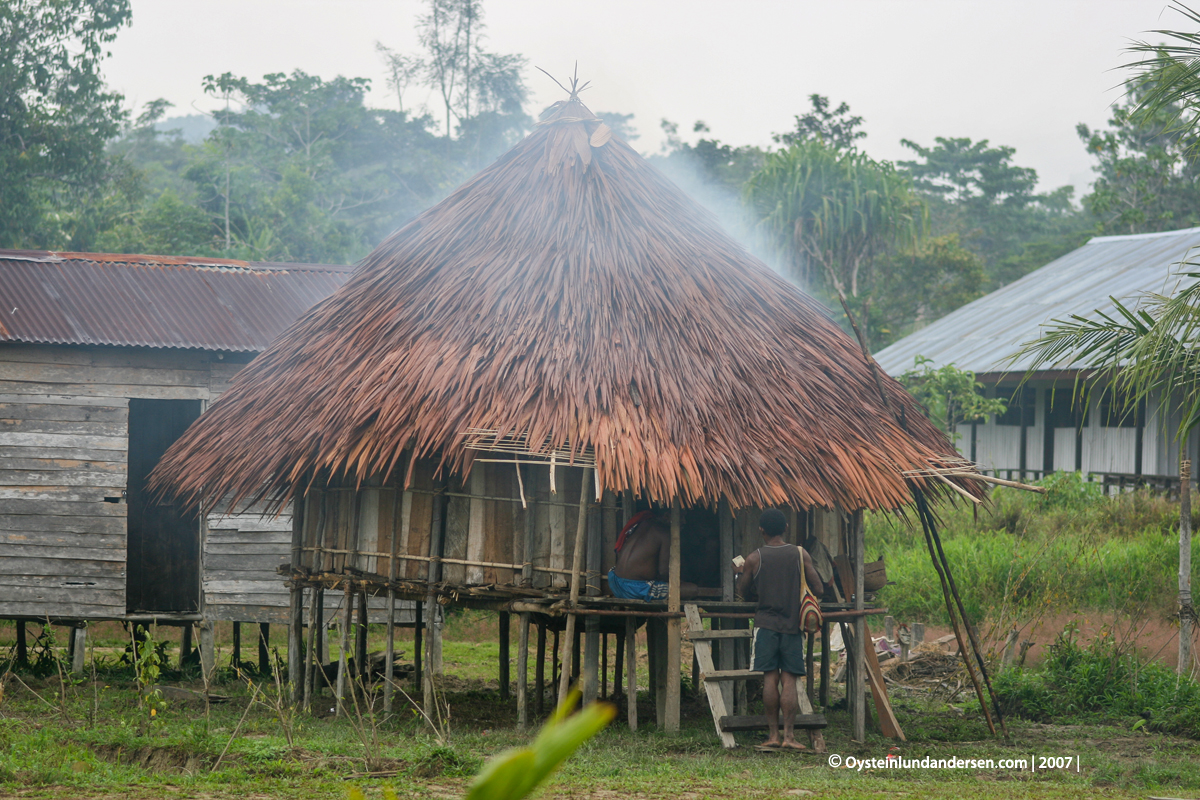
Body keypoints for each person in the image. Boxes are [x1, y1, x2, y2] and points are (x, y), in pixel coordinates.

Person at [734, 509, 823, 752]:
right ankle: (790, 736)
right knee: (789, 681)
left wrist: (740, 574)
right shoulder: (799, 553)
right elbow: (818, 587)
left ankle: (773, 735)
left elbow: (741, 592)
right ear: (785, 527)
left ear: (761, 530)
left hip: (765, 626)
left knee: (769, 679)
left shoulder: (754, 558)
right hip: (792, 625)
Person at [607, 510, 699, 601]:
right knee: (692, 589)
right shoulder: (665, 533)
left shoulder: (642, 523)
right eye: (681, 517)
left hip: (615, 582)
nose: (684, 521)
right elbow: (664, 573)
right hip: (635, 589)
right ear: (667, 516)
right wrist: (681, 581)